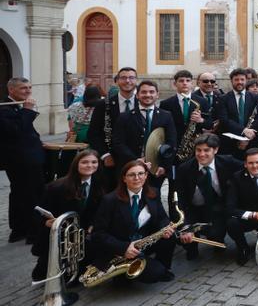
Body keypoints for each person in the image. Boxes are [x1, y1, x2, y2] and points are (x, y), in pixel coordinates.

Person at [89, 160, 176, 283]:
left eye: (141, 174)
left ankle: (161, 267)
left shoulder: (153, 193)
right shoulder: (110, 200)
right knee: (153, 274)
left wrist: (165, 227)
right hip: (119, 251)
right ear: (124, 178)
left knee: (170, 238)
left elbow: (162, 218)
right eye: (131, 175)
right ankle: (121, 274)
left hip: (141, 244)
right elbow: (98, 234)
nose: (137, 178)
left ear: (146, 176)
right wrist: (123, 248)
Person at [31, 149, 104, 282]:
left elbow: (100, 211)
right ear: (76, 164)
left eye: (94, 162)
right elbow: (38, 212)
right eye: (85, 162)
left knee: (77, 278)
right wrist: (45, 222)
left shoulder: (100, 185)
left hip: (82, 239)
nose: (90, 165)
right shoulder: (56, 187)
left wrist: (94, 224)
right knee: (43, 276)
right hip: (59, 237)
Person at [175, 134, 242, 260]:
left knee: (216, 234)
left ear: (215, 150)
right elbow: (182, 199)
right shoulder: (184, 169)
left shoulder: (227, 161)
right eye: (198, 150)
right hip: (194, 210)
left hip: (217, 208)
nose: (201, 154)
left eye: (206, 150)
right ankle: (191, 248)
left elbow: (248, 166)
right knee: (183, 239)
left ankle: (217, 237)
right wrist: (185, 225)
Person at [111, 80, 177, 190]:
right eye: (144, 92)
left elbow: (171, 142)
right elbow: (118, 143)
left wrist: (164, 165)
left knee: (154, 198)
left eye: (151, 92)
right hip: (131, 167)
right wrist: (135, 160)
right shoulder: (124, 117)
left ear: (157, 95)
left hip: (156, 169)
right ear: (137, 95)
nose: (148, 95)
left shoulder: (166, 116)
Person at [87, 67, 138, 189]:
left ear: (136, 81)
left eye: (131, 78)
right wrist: (105, 155)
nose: (127, 81)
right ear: (116, 81)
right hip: (112, 160)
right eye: (123, 78)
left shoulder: (143, 102)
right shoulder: (103, 104)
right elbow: (93, 134)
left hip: (137, 159)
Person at [158, 70, 209, 164]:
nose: (185, 83)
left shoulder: (202, 101)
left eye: (188, 81)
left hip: (196, 146)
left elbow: (210, 123)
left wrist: (201, 120)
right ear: (175, 84)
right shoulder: (166, 103)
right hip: (174, 145)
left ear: (192, 83)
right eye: (181, 81)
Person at [214, 68, 258, 158]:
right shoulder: (223, 98)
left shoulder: (255, 98)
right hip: (229, 143)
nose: (239, 82)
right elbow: (224, 120)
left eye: (242, 79)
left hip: (250, 141)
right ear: (231, 81)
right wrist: (243, 131)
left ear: (246, 80)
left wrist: (247, 137)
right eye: (236, 79)